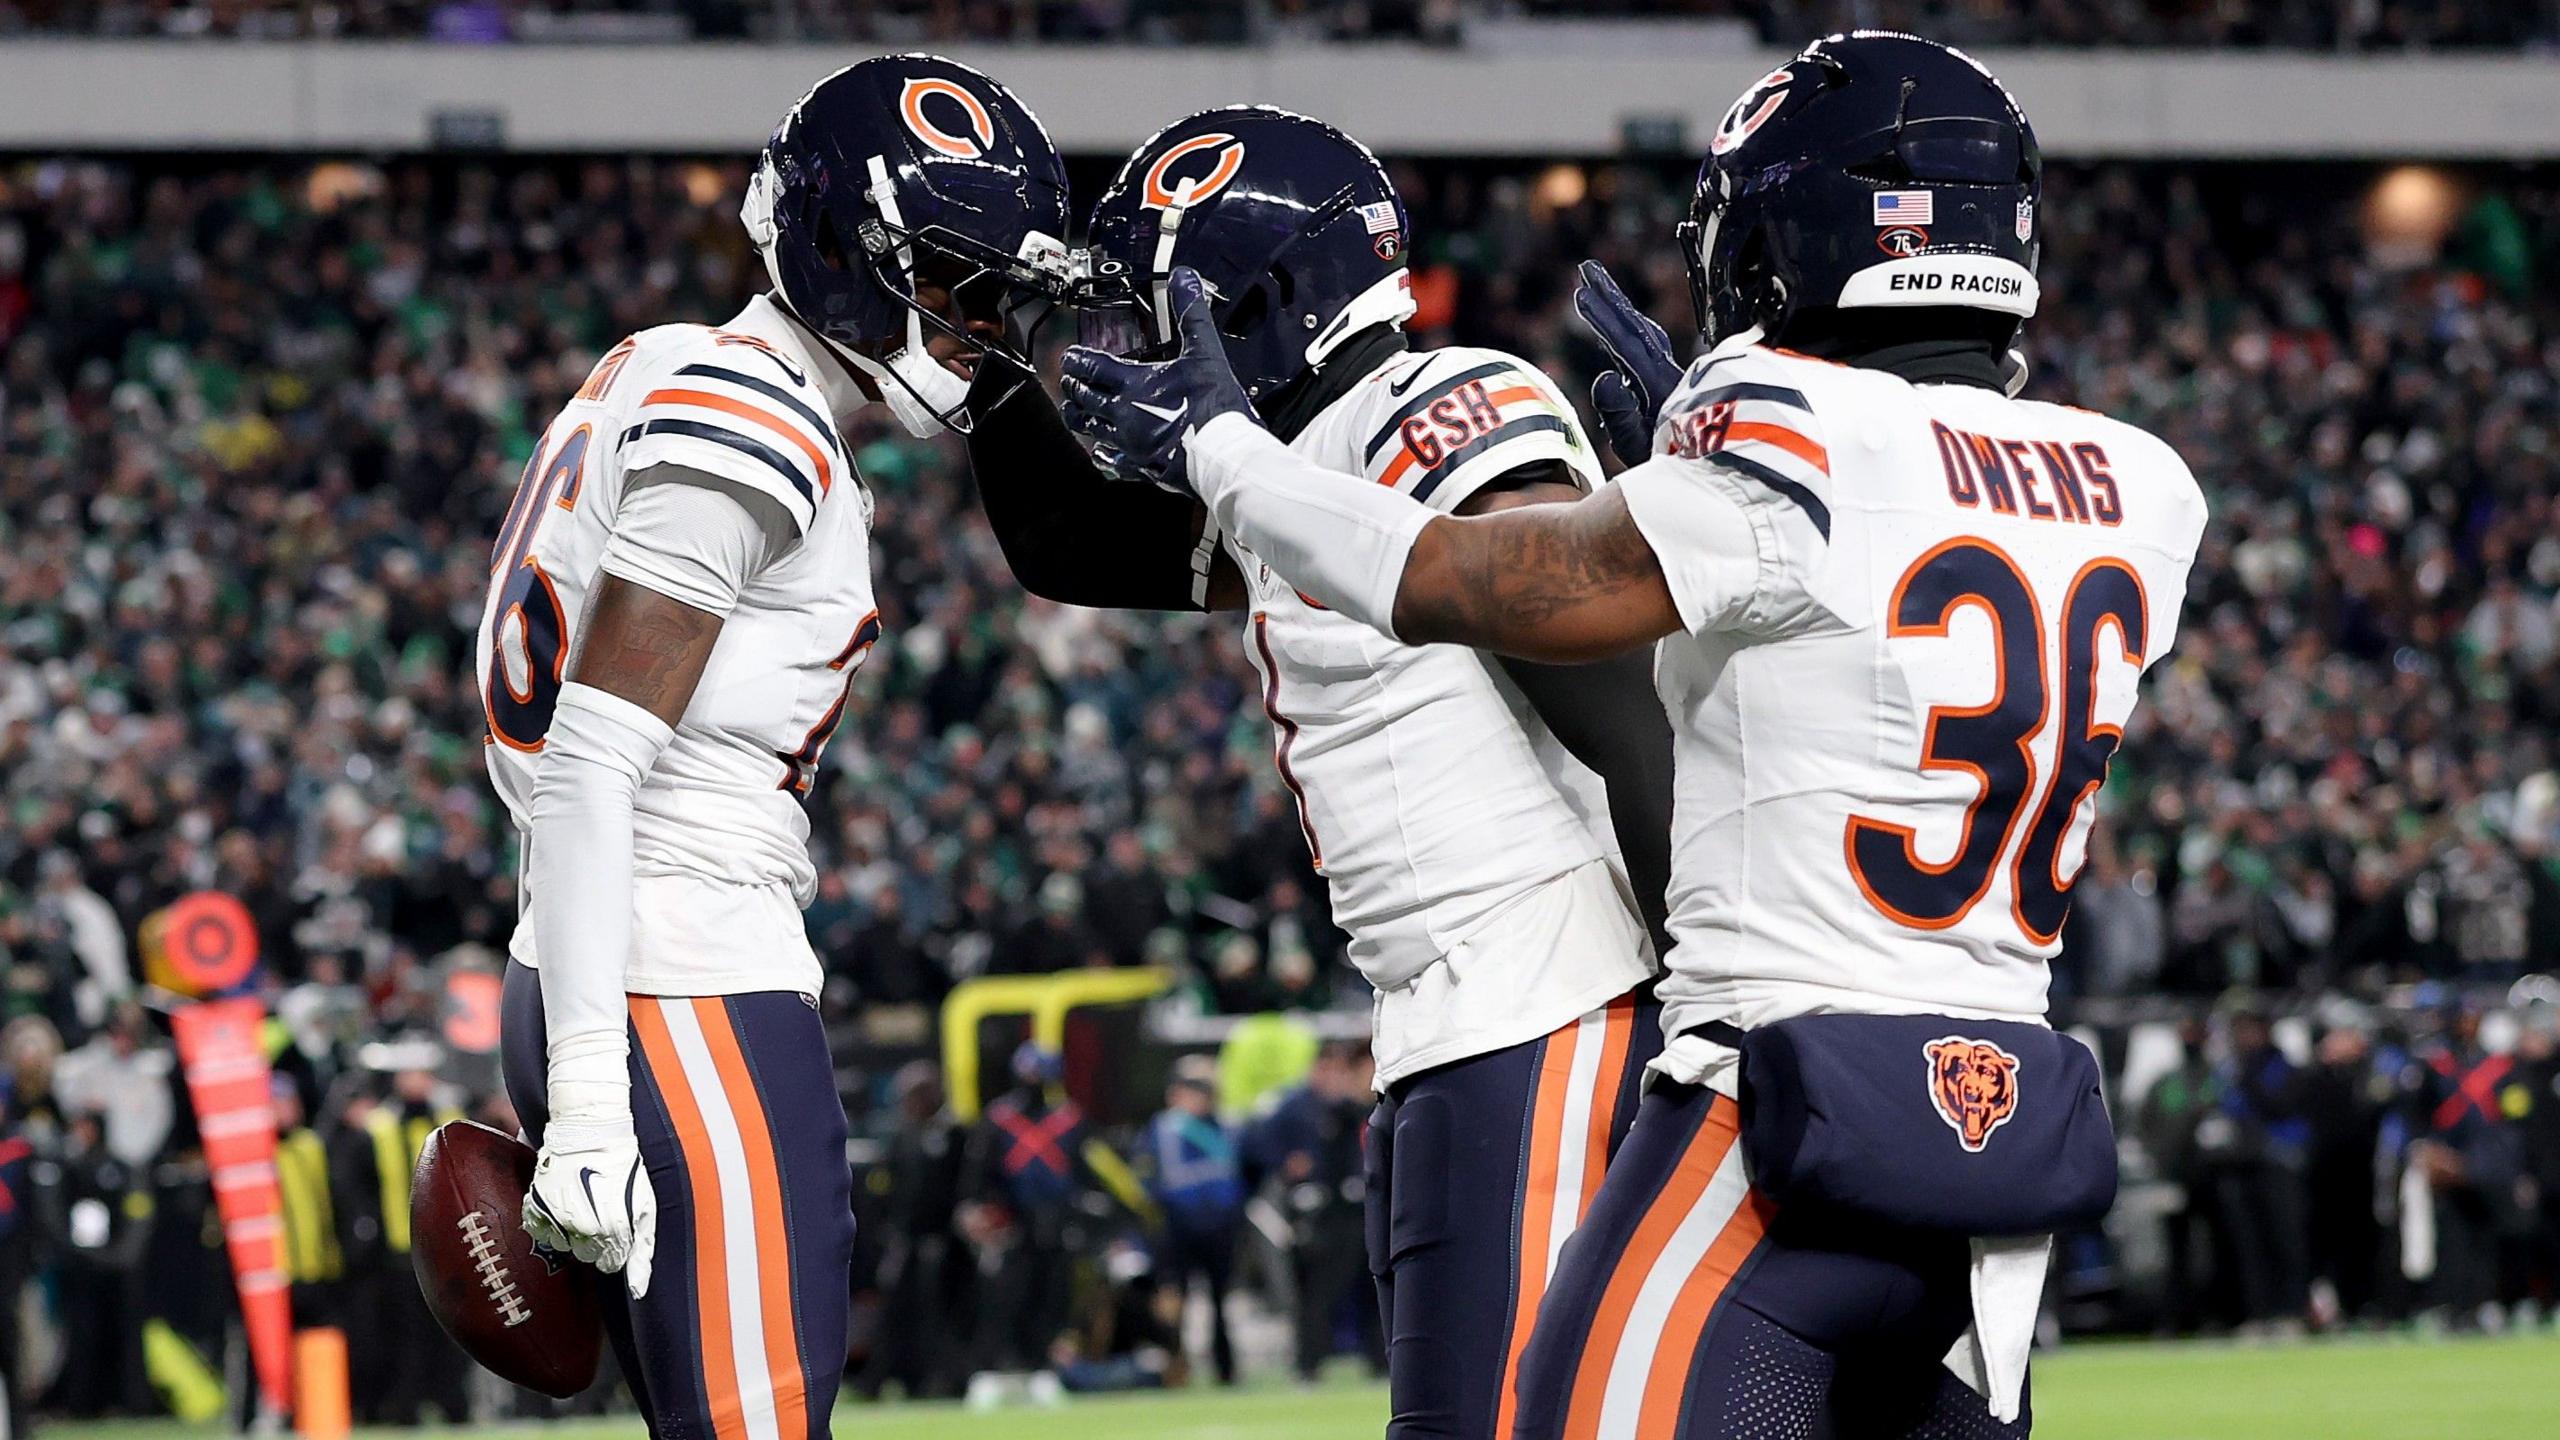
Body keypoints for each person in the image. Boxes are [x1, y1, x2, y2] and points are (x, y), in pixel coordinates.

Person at [1061, 33, 2207, 1434]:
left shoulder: (1789, 429)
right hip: (1992, 1137)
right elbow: (1840, 634)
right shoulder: (2138, 485)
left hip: (1767, 1120)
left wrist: (1224, 456)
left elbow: (1459, 582)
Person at [967, 106, 1669, 1440]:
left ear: (1272, 300)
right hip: (1461, 1018)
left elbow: (1619, 701)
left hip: (1549, 1000)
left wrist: (1714, 998)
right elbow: (1071, 542)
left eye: (1177, 311)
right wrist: (979, 353)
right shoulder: (1299, 468)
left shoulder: (1435, 403)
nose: (1155, 351)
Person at [481, 54, 1073, 1440]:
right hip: (676, 983)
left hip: (603, 960)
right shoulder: (751, 410)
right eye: (953, 281)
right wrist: (583, 1105)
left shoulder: (664, 367)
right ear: (841, 248)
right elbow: (591, 760)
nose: (985, 323)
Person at [1245, 1041, 1381, 1385]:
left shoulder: (1356, 1109)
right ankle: (1309, 1363)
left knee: (1371, 1288)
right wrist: (1287, 1165)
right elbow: (1258, 1143)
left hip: (1358, 1208)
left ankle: (1379, 1360)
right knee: (1320, 1291)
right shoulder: (1295, 1107)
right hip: (1317, 1213)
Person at [1142, 1057, 1243, 1385]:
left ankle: (1225, 1369)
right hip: (1177, 1227)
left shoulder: (1224, 1125)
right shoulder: (1163, 1128)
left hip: (1220, 1227)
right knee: (1174, 1303)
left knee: (1221, 1302)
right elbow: (1146, 1178)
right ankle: (1175, 1368)